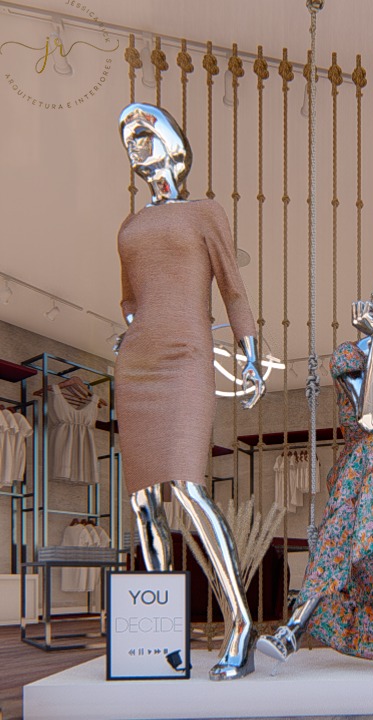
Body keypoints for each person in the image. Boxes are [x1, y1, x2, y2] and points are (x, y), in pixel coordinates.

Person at [115, 102, 264, 680]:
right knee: (142, 501)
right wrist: (130, 328)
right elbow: (130, 299)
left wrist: (251, 354)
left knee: (188, 488)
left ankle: (240, 622)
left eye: (145, 130)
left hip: (186, 360)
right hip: (137, 365)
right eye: (128, 136)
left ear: (173, 143)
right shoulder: (129, 228)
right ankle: (162, 638)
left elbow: (232, 288)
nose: (135, 142)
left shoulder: (204, 213)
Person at [257, 261, 373, 661]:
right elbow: (369, 420)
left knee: (360, 493)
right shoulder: (350, 356)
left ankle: (295, 626)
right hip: (359, 471)